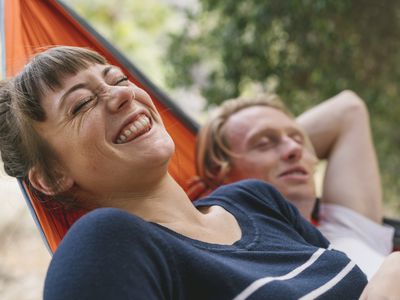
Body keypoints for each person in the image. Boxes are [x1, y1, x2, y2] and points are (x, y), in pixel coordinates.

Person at [0, 46, 398, 300]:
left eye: (117, 78)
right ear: (51, 178)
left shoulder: (256, 200)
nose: (121, 93)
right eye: (82, 104)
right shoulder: (109, 244)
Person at [194, 92, 395, 279]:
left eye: (299, 140)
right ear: (220, 174)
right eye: (264, 143)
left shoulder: (348, 229)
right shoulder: (230, 265)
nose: (295, 149)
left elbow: (349, 109)